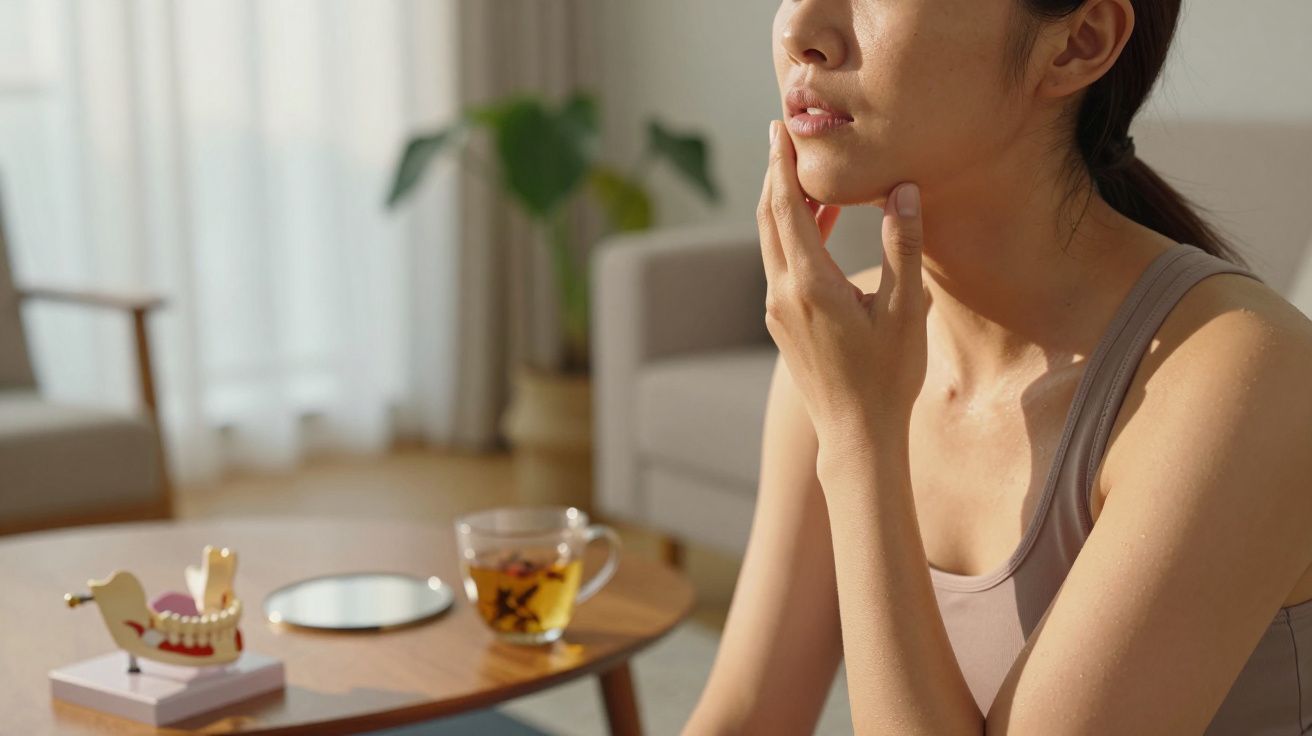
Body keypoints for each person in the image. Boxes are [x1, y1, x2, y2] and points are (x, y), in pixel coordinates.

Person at [683, 0, 1312, 733]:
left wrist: (859, 440)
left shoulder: (1243, 378)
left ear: (1078, 43)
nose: (799, 31)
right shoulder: (843, 344)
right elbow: (747, 715)